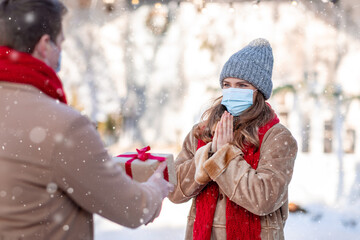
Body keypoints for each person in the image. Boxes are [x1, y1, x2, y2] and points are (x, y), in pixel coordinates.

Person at [0, 0, 173, 239]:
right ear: (44, 46)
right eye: (60, 43)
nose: (61, 53)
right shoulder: (63, 125)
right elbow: (132, 208)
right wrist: (156, 188)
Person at [168, 38, 298, 240]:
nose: (232, 91)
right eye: (227, 84)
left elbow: (264, 199)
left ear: (258, 92)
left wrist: (224, 155)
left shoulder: (278, 137)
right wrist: (209, 154)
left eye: (242, 85)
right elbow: (174, 191)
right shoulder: (202, 132)